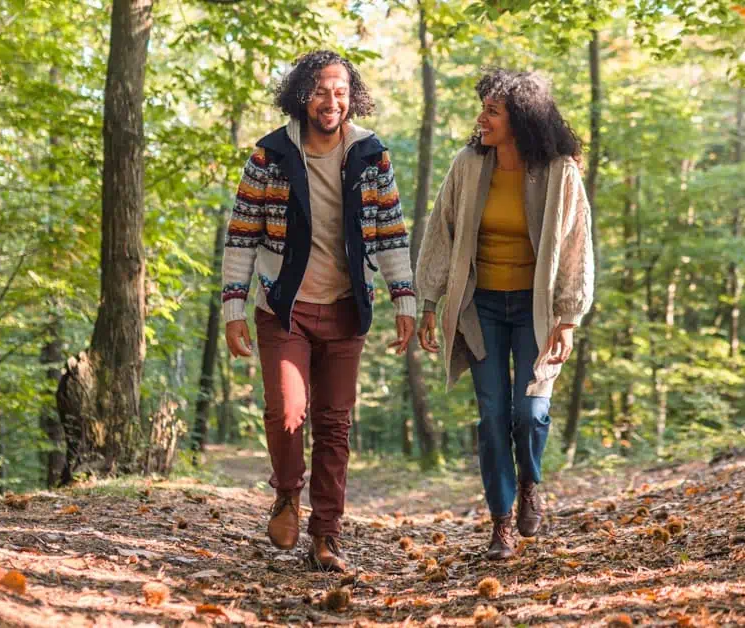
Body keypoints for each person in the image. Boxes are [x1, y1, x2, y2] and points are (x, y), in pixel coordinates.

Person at [220, 50, 417, 572]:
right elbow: (241, 236)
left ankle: (326, 535)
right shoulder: (270, 156)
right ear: (302, 94)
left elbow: (393, 230)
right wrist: (232, 308)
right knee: (287, 413)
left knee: (334, 425)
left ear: (352, 98)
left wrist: (405, 297)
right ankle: (287, 494)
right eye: (322, 90)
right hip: (284, 308)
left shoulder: (372, 156)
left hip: (347, 308)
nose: (331, 101)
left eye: (341, 92)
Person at [415, 69, 594, 560]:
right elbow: (440, 233)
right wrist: (428, 302)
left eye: (493, 110)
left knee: (530, 412)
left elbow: (577, 248)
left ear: (521, 118)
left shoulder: (560, 172)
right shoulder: (469, 165)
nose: (482, 118)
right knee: (493, 417)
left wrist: (568, 316)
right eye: (485, 109)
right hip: (482, 308)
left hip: (536, 312)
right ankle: (501, 524)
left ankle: (530, 482)